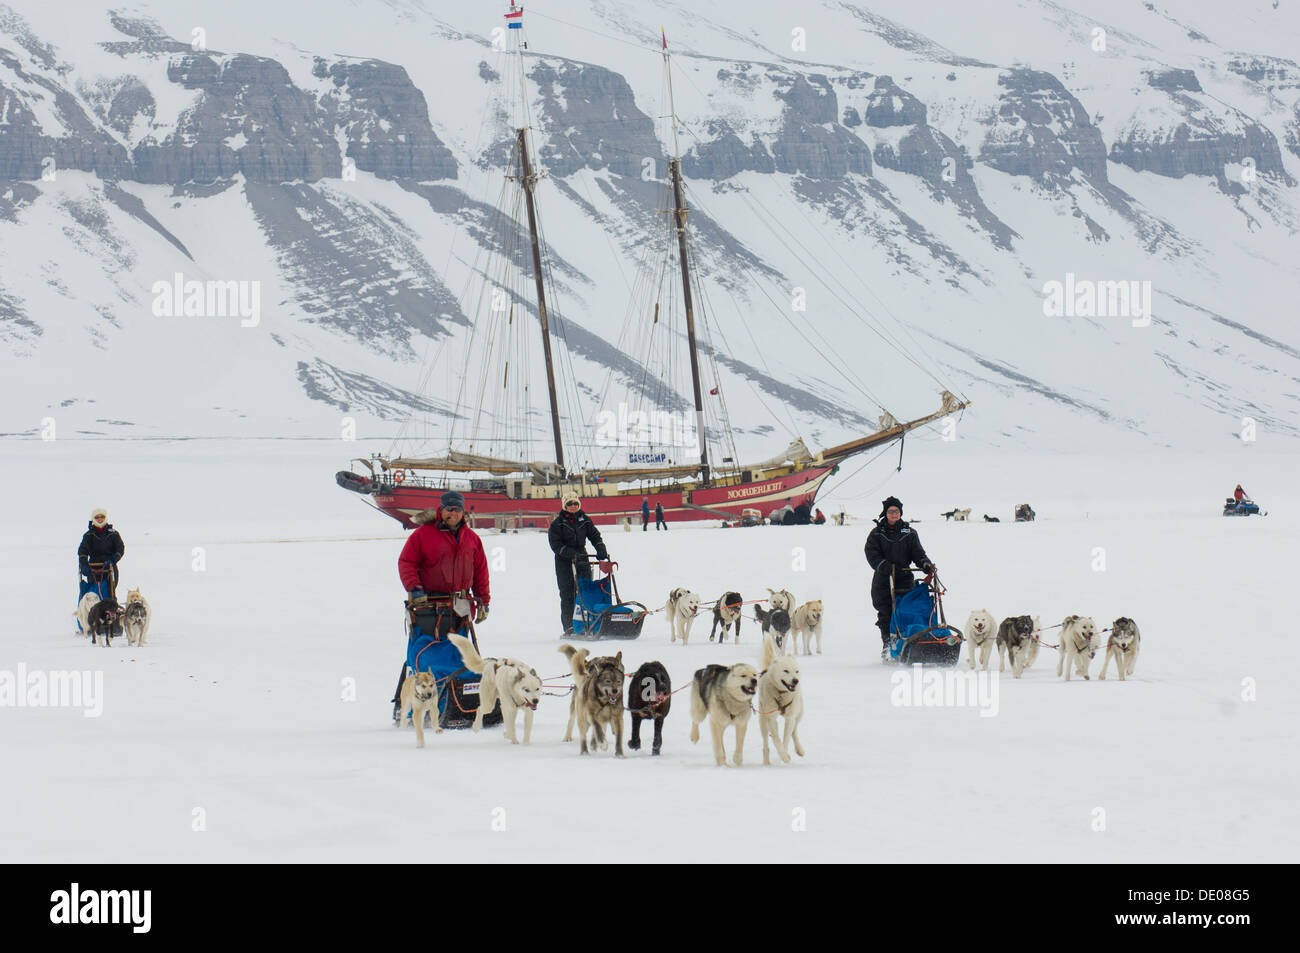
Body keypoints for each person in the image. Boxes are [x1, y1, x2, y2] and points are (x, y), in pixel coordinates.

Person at [391, 490, 490, 723]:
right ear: (441, 510)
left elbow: (480, 572)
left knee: (463, 657)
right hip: (428, 608)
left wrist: (484, 600)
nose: (452, 513)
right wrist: (415, 588)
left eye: (456, 509)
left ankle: (459, 704)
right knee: (422, 658)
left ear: (463, 511)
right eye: (448, 508)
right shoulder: (423, 535)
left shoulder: (472, 539)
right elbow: (406, 562)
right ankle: (408, 705)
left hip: (460, 608)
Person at [864, 496, 935, 661]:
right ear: (885, 513)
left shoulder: (909, 533)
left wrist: (925, 564)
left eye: (896, 511)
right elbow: (871, 554)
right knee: (886, 613)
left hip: (904, 578)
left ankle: (908, 644)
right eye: (890, 511)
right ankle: (887, 646)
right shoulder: (877, 533)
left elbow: (918, 553)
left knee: (906, 611)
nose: (894, 514)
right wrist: (885, 566)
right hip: (883, 580)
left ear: (900, 513)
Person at [549, 492, 611, 635]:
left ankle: (587, 623)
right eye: (570, 504)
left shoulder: (585, 520)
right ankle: (569, 626)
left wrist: (600, 548)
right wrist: (571, 554)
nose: (573, 506)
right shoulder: (557, 524)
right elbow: (556, 545)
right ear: (565, 505)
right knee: (568, 594)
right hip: (564, 561)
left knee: (585, 591)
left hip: (582, 558)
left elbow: (594, 536)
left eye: (575, 503)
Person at [78, 506, 124, 602]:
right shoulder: (89, 535)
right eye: (97, 517)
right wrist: (84, 564)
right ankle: (92, 611)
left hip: (109, 567)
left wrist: (113, 560)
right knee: (93, 594)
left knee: (110, 590)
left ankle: (111, 610)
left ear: (105, 518)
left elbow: (120, 549)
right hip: (93, 567)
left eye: (102, 517)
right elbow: (83, 551)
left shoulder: (113, 534)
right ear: (93, 519)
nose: (99, 519)